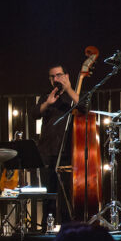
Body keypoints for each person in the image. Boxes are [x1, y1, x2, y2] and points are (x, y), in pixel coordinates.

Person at [29, 64, 80, 225]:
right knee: (48, 195)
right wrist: (47, 103)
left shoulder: (74, 96)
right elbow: (34, 113)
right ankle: (47, 228)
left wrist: (70, 89)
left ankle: (67, 228)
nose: (55, 79)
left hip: (68, 152)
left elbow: (86, 107)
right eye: (52, 77)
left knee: (66, 196)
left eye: (59, 75)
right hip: (47, 152)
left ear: (67, 75)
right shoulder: (47, 96)